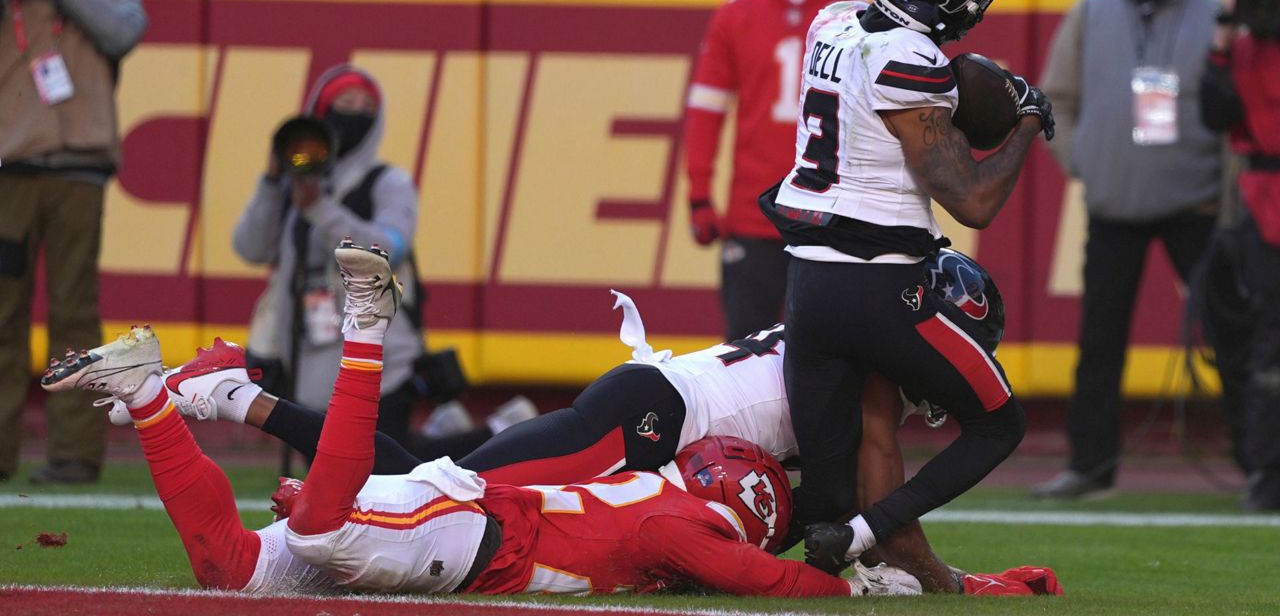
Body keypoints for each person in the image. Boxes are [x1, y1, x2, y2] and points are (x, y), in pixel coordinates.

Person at [110, 249, 1060, 596]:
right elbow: (878, 494)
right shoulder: (876, 376)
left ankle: (239, 397)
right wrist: (944, 581)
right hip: (652, 422)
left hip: (662, 421)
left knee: (444, 486)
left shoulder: (852, 321)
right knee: (452, 483)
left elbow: (842, 512)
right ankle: (238, 393)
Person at [758, 0, 1054, 574]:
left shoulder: (829, 22)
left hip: (806, 282)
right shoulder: (910, 59)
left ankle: (689, 548)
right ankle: (866, 537)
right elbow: (972, 201)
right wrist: (1028, 121)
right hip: (880, 286)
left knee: (827, 491)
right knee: (998, 422)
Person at [1033, 0, 1227, 500]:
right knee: (1100, 340)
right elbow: (1054, 98)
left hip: (1195, 203)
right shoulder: (1092, 12)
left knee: (1232, 334)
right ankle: (1090, 467)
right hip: (1115, 202)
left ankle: (1263, 467)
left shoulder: (1215, 13)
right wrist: (1082, 162)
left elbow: (1234, 110)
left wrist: (1225, 191)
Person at [0, 0, 147, 484]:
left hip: (78, 173)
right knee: (2, 317)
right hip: (11, 171)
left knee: (74, 316)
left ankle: (75, 454)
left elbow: (123, 32)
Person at [683, 0, 864, 340]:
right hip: (754, 213)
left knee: (831, 353)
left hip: (829, 215)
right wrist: (700, 193)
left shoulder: (854, 16)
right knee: (745, 351)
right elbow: (706, 110)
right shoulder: (738, 11)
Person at [232, 65, 427, 448]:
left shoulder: (388, 182)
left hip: (378, 356)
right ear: (320, 109)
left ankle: (491, 435)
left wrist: (320, 209)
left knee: (387, 470)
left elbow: (386, 250)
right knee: (332, 476)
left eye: (366, 106)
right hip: (309, 355)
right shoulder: (299, 181)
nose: (354, 112)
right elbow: (251, 247)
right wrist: (273, 183)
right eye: (345, 102)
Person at [1198, 0, 1280, 512]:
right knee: (1267, 339)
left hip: (1259, 199)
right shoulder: (1244, 45)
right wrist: (1223, 41)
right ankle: (1267, 467)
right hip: (1261, 201)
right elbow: (1216, 111)